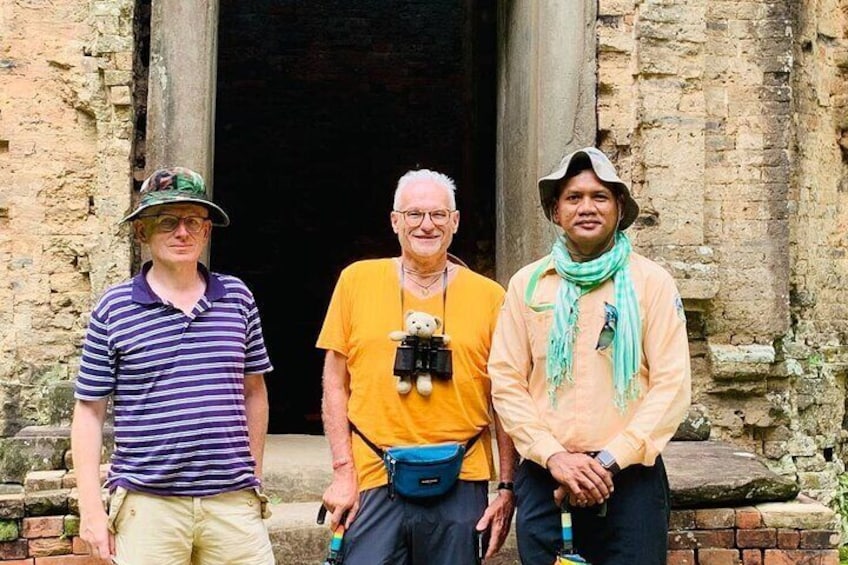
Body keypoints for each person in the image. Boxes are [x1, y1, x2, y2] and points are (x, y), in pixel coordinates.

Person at [488, 146, 692, 564]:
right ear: (554, 212)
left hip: (629, 482)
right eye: (573, 197)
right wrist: (555, 456)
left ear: (619, 208)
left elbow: (671, 387)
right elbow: (506, 381)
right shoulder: (528, 284)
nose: (587, 207)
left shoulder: (651, 284)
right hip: (547, 478)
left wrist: (607, 463)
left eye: (600, 197)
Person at [70, 167, 276, 565]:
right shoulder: (114, 308)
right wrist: (91, 509)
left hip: (232, 505)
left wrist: (254, 477)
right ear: (141, 233)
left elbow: (254, 392)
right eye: (167, 221)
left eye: (193, 221)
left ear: (206, 231)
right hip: (148, 506)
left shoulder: (238, 298)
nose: (182, 232)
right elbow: (89, 412)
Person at [316, 168, 517, 564]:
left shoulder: (490, 296)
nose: (427, 225)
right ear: (395, 222)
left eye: (439, 215)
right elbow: (334, 382)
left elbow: (504, 398)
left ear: (455, 222)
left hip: (462, 474)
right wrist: (343, 471)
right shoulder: (356, 281)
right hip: (373, 472)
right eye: (414, 215)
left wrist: (507, 487)